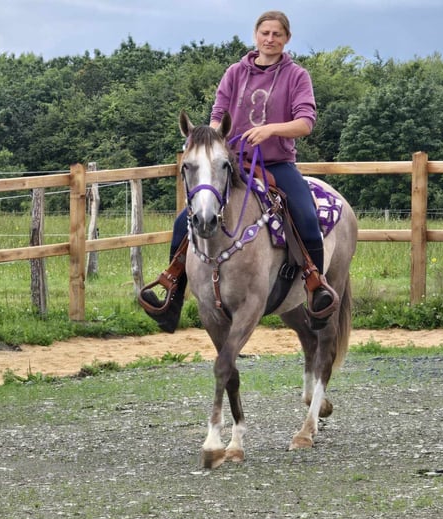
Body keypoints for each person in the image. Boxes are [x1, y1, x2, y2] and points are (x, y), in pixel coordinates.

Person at [140, 10, 336, 332]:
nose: (270, 39)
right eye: (265, 33)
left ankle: (315, 284)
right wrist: (212, 139)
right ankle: (173, 291)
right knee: (184, 221)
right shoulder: (235, 73)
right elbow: (218, 114)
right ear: (256, 36)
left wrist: (271, 130)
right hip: (236, 162)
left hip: (276, 163)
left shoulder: (297, 76)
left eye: (277, 34)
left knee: (304, 213)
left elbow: (305, 123)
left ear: (286, 39)